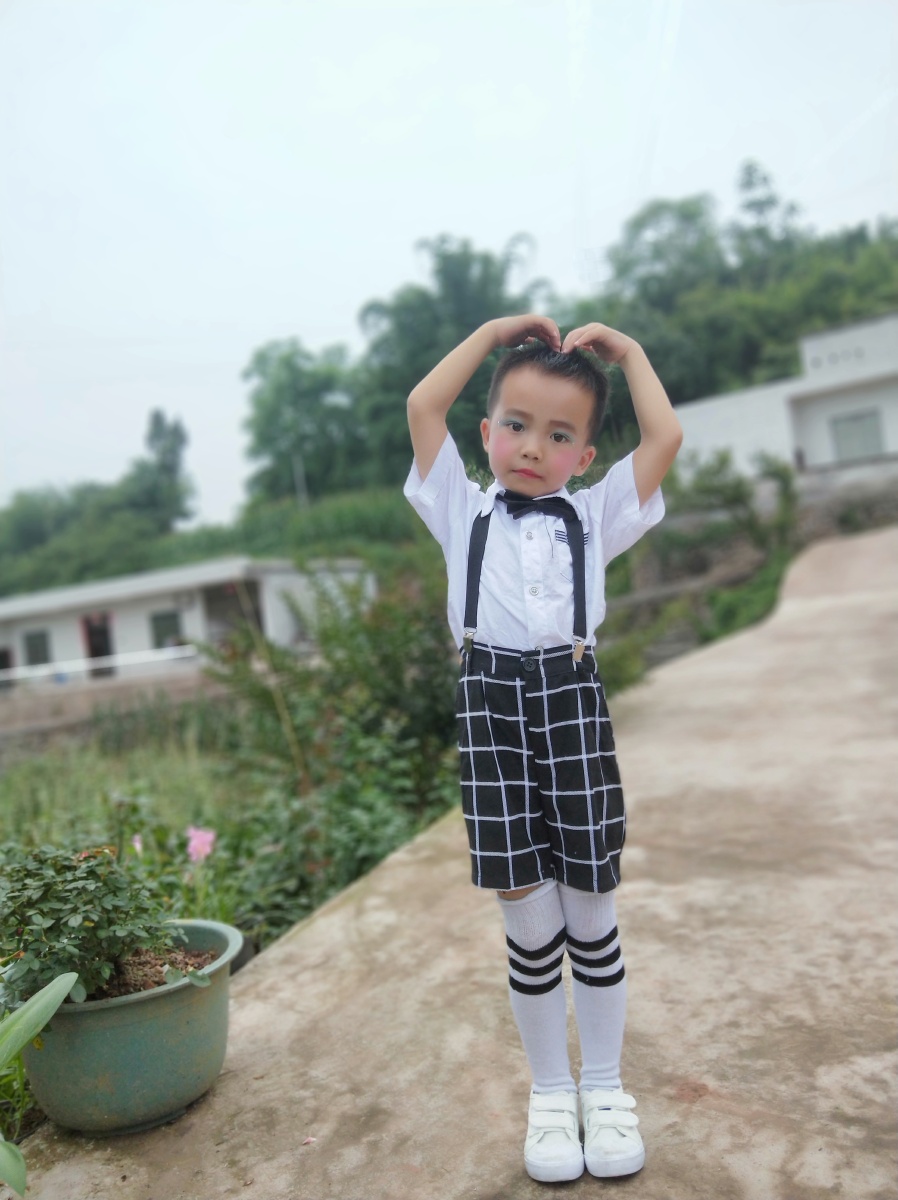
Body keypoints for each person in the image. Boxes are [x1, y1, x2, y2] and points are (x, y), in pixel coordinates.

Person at [404, 314, 682, 1183]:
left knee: (591, 912)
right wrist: (491, 334)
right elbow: (422, 405)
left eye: (560, 435)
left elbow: (665, 437)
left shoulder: (595, 515)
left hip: (571, 703)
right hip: (489, 708)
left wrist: (630, 354)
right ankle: (551, 1094)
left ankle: (605, 1087)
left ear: (585, 456)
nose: (533, 446)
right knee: (530, 923)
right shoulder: (461, 506)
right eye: (517, 425)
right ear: (487, 431)